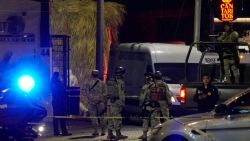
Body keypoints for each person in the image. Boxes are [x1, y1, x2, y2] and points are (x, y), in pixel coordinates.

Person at [138, 71, 172, 140]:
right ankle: (164, 134)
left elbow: (143, 96)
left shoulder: (150, 85)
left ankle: (145, 135)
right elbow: (168, 94)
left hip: (152, 105)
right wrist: (169, 103)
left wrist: (141, 104)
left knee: (147, 120)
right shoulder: (164, 84)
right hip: (163, 104)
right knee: (165, 119)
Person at [106, 66, 128, 140]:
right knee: (117, 118)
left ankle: (110, 134)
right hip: (116, 102)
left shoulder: (111, 80)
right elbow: (121, 94)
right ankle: (118, 134)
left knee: (110, 118)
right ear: (121, 73)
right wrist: (122, 103)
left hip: (109, 102)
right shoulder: (120, 82)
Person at [50, 72, 71, 136]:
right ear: (57, 76)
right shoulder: (58, 83)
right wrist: (66, 94)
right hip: (61, 102)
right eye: (59, 76)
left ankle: (56, 132)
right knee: (63, 117)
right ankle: (64, 132)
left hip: (55, 101)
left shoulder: (52, 83)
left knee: (56, 117)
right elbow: (62, 92)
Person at [87, 70, 107, 137]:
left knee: (93, 117)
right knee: (102, 117)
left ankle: (96, 131)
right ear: (98, 75)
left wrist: (92, 100)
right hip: (100, 103)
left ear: (92, 74)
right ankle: (103, 131)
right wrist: (100, 99)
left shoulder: (88, 83)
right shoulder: (102, 83)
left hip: (92, 103)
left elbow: (87, 94)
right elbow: (105, 93)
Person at [138, 72, 154, 140]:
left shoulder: (145, 87)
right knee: (154, 122)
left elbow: (142, 98)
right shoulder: (156, 85)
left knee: (145, 121)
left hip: (147, 106)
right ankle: (154, 135)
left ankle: (144, 135)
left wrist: (140, 104)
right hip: (155, 107)